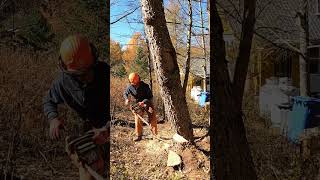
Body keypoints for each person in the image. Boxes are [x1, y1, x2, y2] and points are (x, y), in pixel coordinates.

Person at [43, 34, 109, 179]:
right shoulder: (63, 82)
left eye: (86, 72)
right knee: (88, 171)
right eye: (77, 75)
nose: (83, 78)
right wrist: (53, 118)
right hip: (89, 132)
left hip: (109, 128)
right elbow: (48, 101)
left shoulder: (106, 74)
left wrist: (107, 129)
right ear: (66, 68)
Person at [123, 72, 157, 141]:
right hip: (138, 104)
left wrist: (143, 102)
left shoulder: (145, 86)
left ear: (138, 80)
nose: (134, 85)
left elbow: (150, 97)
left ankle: (155, 135)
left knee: (152, 117)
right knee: (138, 119)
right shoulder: (130, 86)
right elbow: (125, 93)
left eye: (135, 83)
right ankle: (138, 135)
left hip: (148, 103)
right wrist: (126, 99)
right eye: (132, 83)